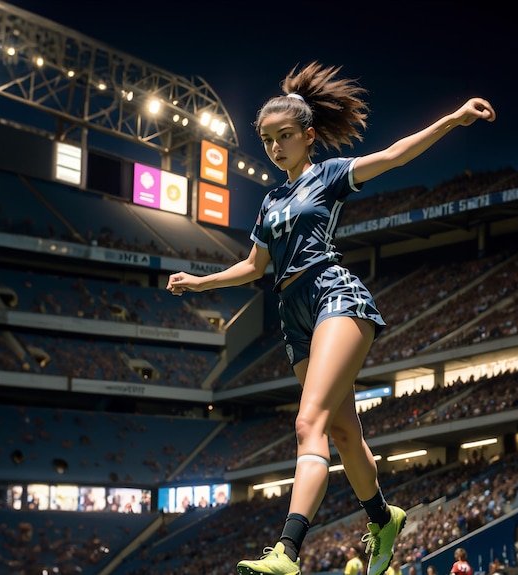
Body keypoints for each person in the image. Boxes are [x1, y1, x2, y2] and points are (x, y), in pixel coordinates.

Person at [166, 61, 495, 575]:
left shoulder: (328, 175)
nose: (275, 148)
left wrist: (452, 119)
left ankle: (288, 550)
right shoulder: (270, 201)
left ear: (309, 136)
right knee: (343, 435)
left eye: (285, 137)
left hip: (332, 295)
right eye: (267, 139)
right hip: (291, 317)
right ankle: (383, 518)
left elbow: (391, 155)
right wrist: (199, 282)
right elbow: (254, 266)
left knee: (307, 423)